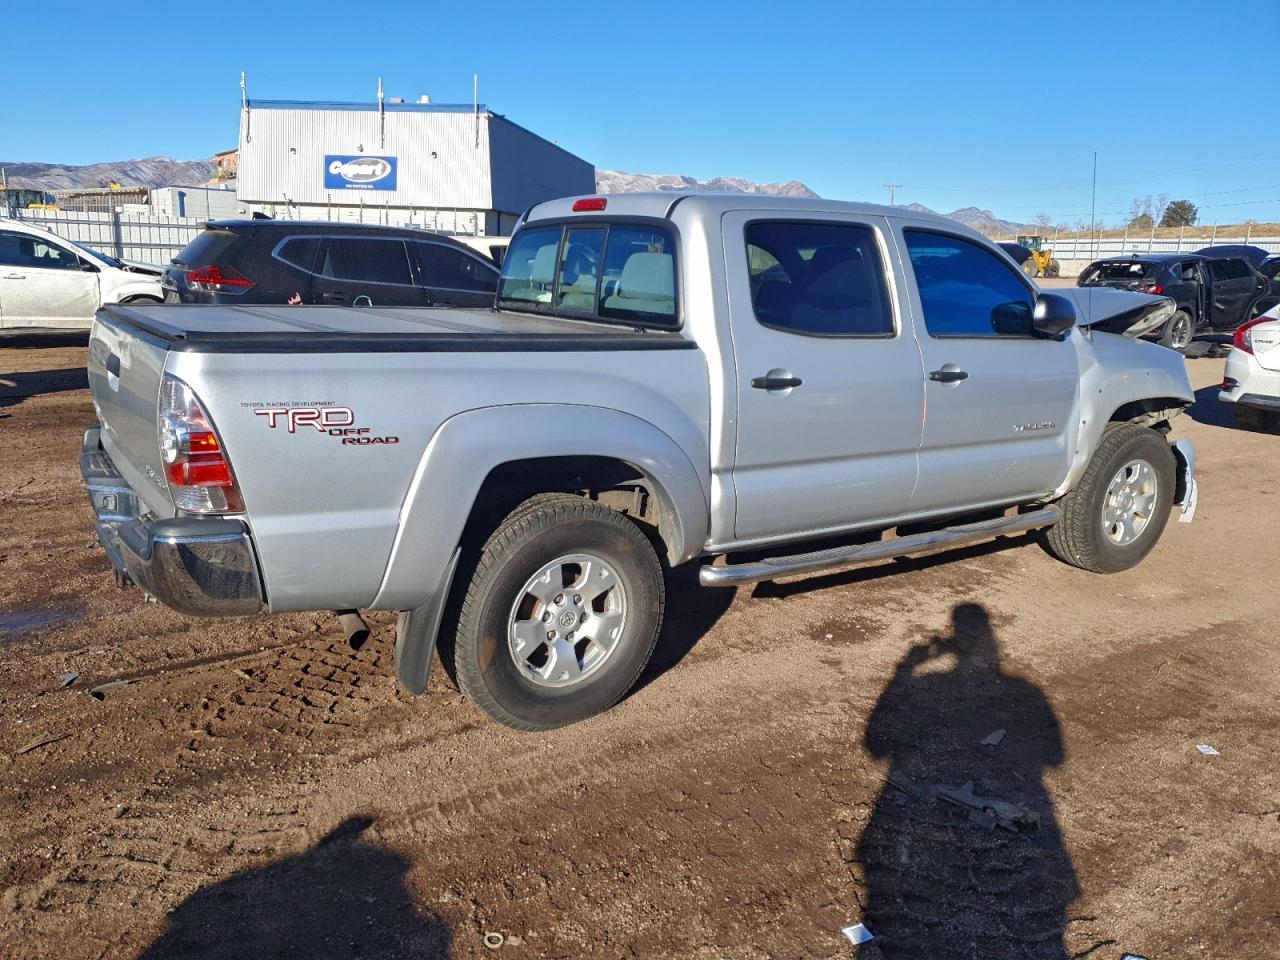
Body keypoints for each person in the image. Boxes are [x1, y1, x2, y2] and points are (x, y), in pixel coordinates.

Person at [856, 604, 1079, 959]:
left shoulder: (931, 684)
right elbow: (1055, 757)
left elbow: (875, 745)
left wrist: (906, 669)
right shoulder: (1025, 692)